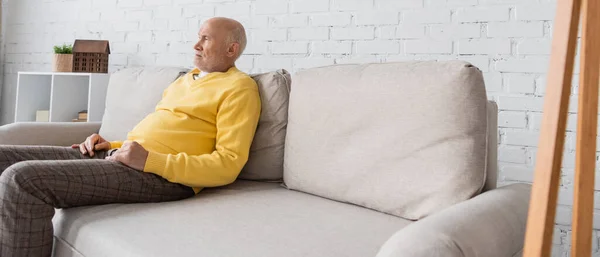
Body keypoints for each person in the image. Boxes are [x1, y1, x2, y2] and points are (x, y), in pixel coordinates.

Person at [0, 17, 261, 257]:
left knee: (21, 179)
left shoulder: (240, 87)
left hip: (161, 177)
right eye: (198, 36)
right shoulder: (185, 80)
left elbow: (228, 164)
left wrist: (150, 161)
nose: (196, 44)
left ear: (231, 50)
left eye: (206, 39)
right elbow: (155, 132)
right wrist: (111, 144)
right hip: (123, 157)